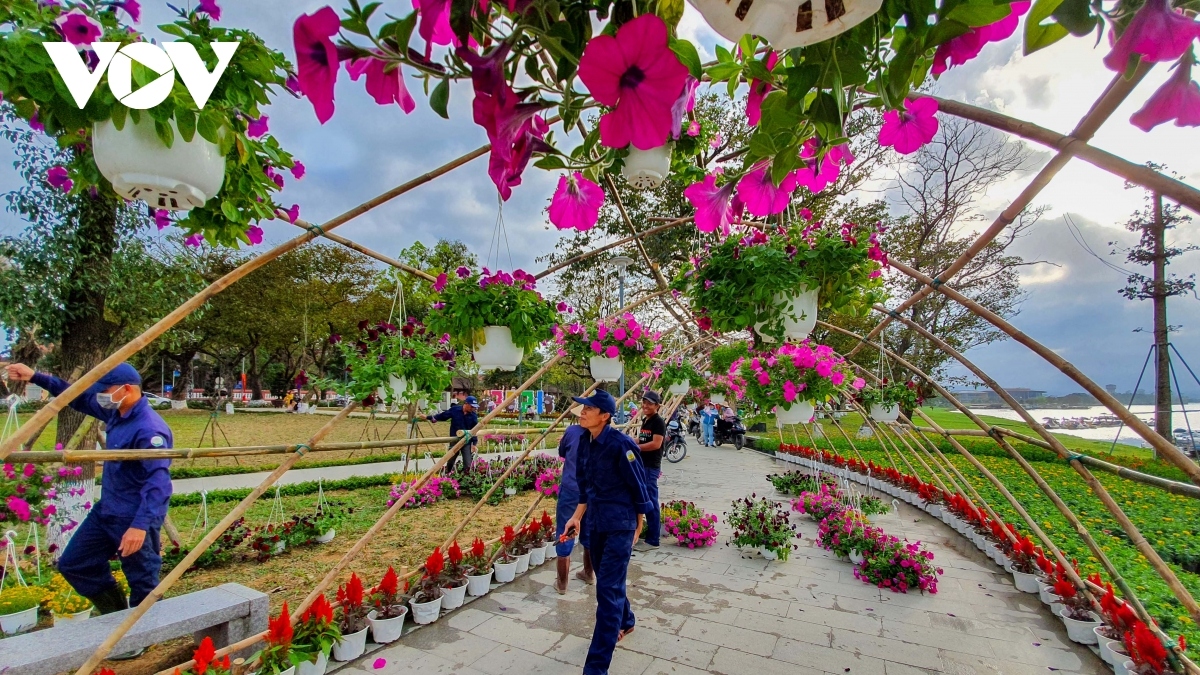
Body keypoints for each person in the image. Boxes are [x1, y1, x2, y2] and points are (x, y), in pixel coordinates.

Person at [6, 362, 171, 653]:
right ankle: (115, 616)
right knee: (74, 564)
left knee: (142, 581)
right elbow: (75, 396)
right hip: (106, 512)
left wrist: (140, 526)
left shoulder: (150, 429)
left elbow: (158, 485)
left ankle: (138, 640)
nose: (102, 396)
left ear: (128, 389)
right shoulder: (115, 412)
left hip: (133, 519)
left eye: (106, 391)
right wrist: (35, 377)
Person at [563, 389, 653, 675]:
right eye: (582, 408)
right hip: (596, 522)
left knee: (607, 591)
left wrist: (639, 522)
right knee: (607, 580)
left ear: (604, 416)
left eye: (588, 409)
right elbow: (585, 487)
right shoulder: (584, 441)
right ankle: (626, 620)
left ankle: (596, 668)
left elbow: (639, 486)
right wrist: (576, 518)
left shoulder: (621, 444)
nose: (582, 413)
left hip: (620, 523)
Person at [553, 408, 593, 594]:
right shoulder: (602, 435)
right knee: (590, 531)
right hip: (593, 490)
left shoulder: (571, 432)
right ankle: (589, 573)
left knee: (565, 530)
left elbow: (562, 453)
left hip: (571, 489)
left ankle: (562, 583)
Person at [633, 391, 665, 552]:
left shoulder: (658, 422)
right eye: (644, 402)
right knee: (645, 498)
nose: (645, 406)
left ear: (657, 406)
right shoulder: (646, 420)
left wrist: (636, 448)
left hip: (651, 466)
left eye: (650, 403)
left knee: (651, 500)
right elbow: (643, 438)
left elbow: (656, 444)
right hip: (642, 464)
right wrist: (631, 441)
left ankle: (654, 538)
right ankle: (649, 534)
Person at [428, 395, 479, 472]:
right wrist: (432, 418)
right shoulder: (455, 410)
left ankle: (467, 478)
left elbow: (474, 430)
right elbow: (444, 415)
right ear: (466, 404)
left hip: (466, 441)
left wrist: (474, 444)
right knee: (451, 459)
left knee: (468, 462)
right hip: (454, 439)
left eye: (474, 407)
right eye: (472, 406)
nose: (473, 409)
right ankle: (447, 474)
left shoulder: (473, 416)